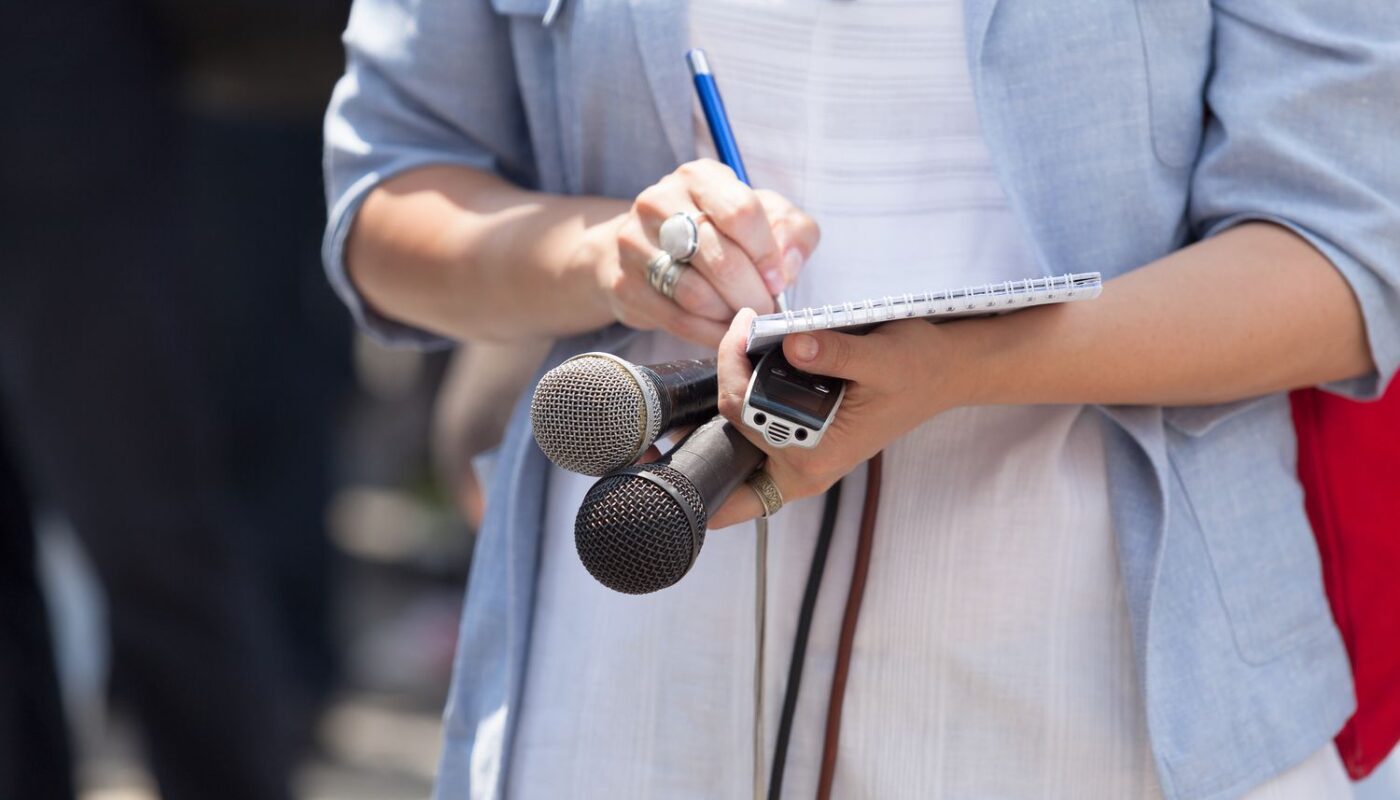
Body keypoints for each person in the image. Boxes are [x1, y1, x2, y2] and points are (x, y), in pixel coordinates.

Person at [324, 1, 1400, 797]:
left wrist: (966, 367)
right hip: (619, 674)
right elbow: (383, 202)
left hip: (1113, 693)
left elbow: (1344, 257)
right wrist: (605, 255)